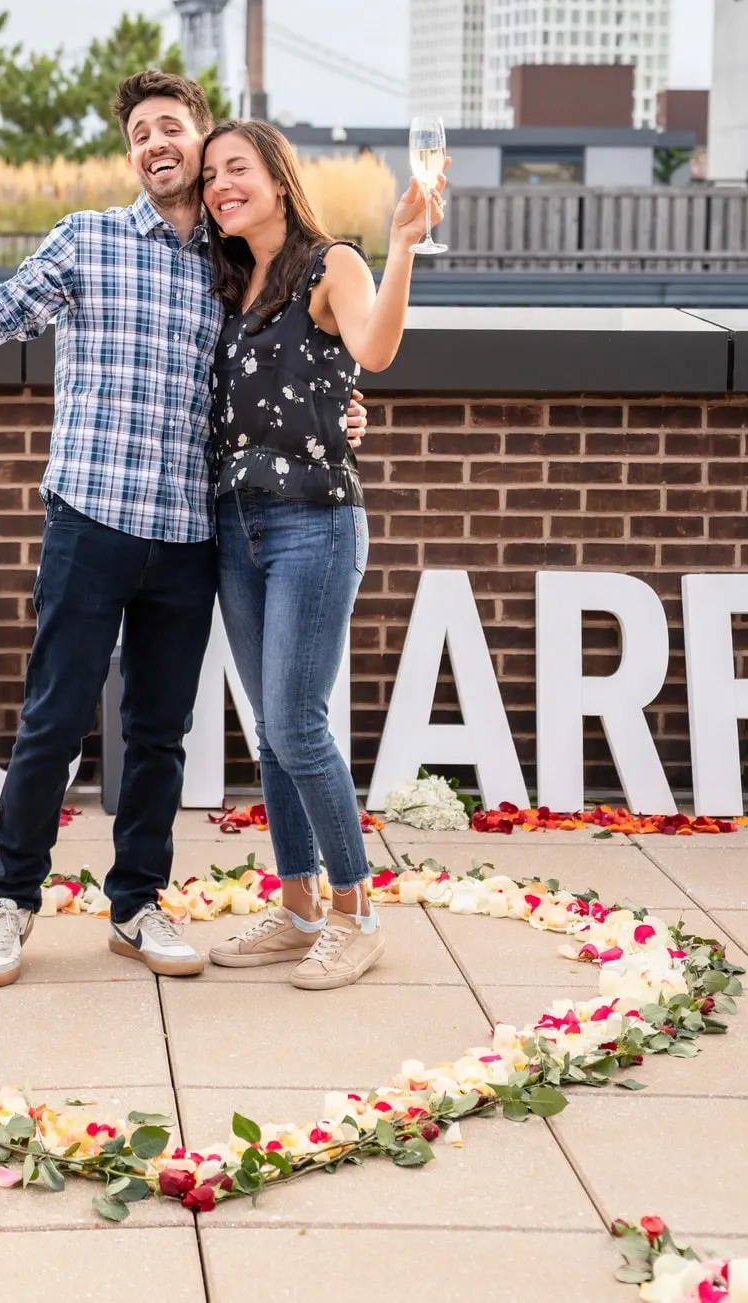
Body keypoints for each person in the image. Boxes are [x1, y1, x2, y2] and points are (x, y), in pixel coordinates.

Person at [0, 71, 368, 988]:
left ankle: (137, 904)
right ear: (132, 155)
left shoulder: (232, 266)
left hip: (191, 534)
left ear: (200, 143)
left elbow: (296, 365)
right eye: (141, 133)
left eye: (173, 128)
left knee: (159, 732)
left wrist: (353, 410)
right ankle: (11, 900)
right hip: (90, 516)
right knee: (55, 720)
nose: (158, 143)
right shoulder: (89, 238)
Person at [200, 119, 446, 990]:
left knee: (299, 723)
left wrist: (404, 244)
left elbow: (374, 348)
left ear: (277, 175)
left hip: (315, 521)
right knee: (271, 730)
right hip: (236, 526)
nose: (222, 184)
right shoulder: (223, 280)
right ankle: (299, 903)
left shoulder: (329, 261)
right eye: (210, 175)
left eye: (238, 167)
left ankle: (355, 912)